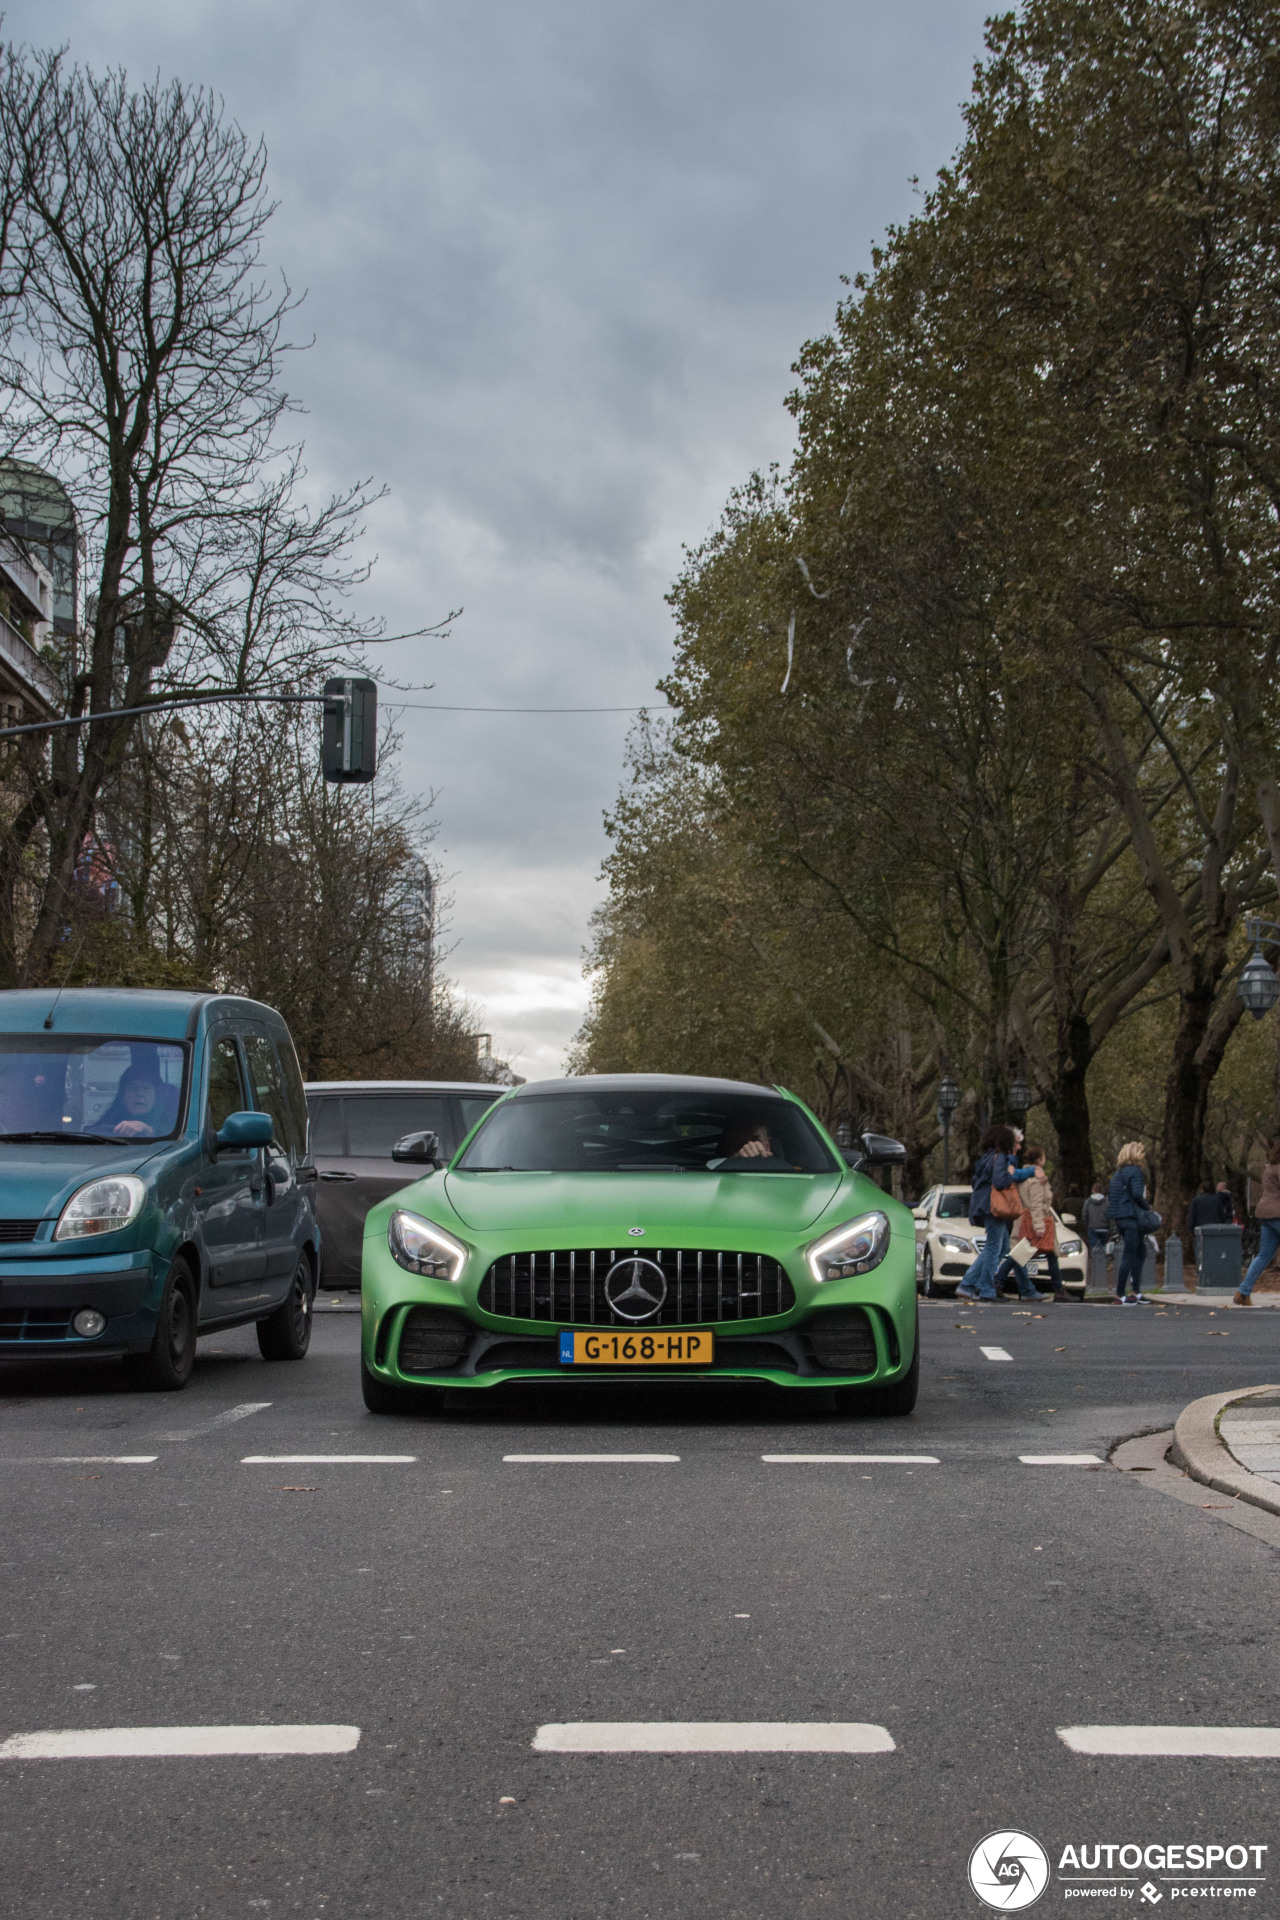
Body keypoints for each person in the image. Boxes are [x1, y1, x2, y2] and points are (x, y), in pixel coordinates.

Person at [959, 1124, 1035, 1303]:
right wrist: (1011, 1175)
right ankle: (985, 1289)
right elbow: (1000, 1182)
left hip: (986, 1206)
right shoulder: (1000, 1157)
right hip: (994, 1208)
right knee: (994, 1248)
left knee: (1000, 1248)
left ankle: (968, 1284)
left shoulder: (988, 1157)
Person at [1009, 1145, 1072, 1301]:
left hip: (1025, 1219)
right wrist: (1039, 1226)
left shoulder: (1023, 1177)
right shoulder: (1036, 1179)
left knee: (1038, 1253)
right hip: (1034, 1221)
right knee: (1021, 1254)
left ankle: (1058, 1289)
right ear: (1039, 1160)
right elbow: (1036, 1204)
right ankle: (1058, 1290)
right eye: (1043, 1158)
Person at [1107, 1141, 1153, 1303]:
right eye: (1141, 1153)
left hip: (1119, 1217)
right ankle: (1121, 1293)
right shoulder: (1136, 1171)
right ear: (1136, 1155)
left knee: (1140, 1252)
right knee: (1130, 1254)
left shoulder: (1117, 1175)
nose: (1143, 1156)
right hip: (1131, 1218)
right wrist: (1147, 1207)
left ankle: (1136, 1291)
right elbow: (1137, 1194)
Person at [1236, 1140, 1280, 1306]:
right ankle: (1243, 1291)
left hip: (1264, 1212)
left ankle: (1243, 1292)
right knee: (1264, 1255)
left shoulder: (1269, 1167)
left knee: (1263, 1255)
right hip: (1277, 1213)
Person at [1082, 1184, 1110, 1250]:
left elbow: (1084, 1214)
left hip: (1092, 1228)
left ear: (1093, 1190)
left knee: (1094, 1249)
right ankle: (1103, 1260)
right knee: (1104, 1249)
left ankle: (1096, 1259)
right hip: (1105, 1228)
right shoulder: (1107, 1202)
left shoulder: (1088, 1202)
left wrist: (1086, 1226)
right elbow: (1110, 1215)